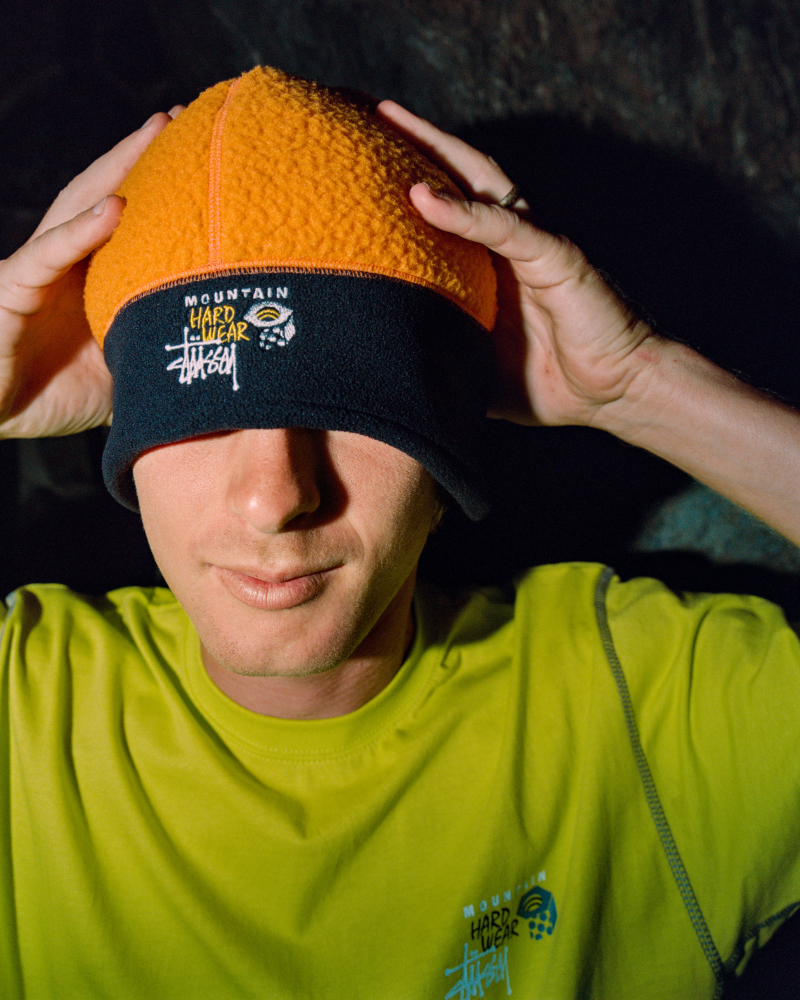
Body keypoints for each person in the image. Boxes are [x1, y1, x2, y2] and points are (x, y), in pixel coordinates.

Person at [0, 67, 798, 999]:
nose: (274, 498)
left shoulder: (646, 709)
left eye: (351, 408)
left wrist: (641, 387)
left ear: (447, 429)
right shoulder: (27, 710)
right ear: (128, 433)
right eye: (202, 409)